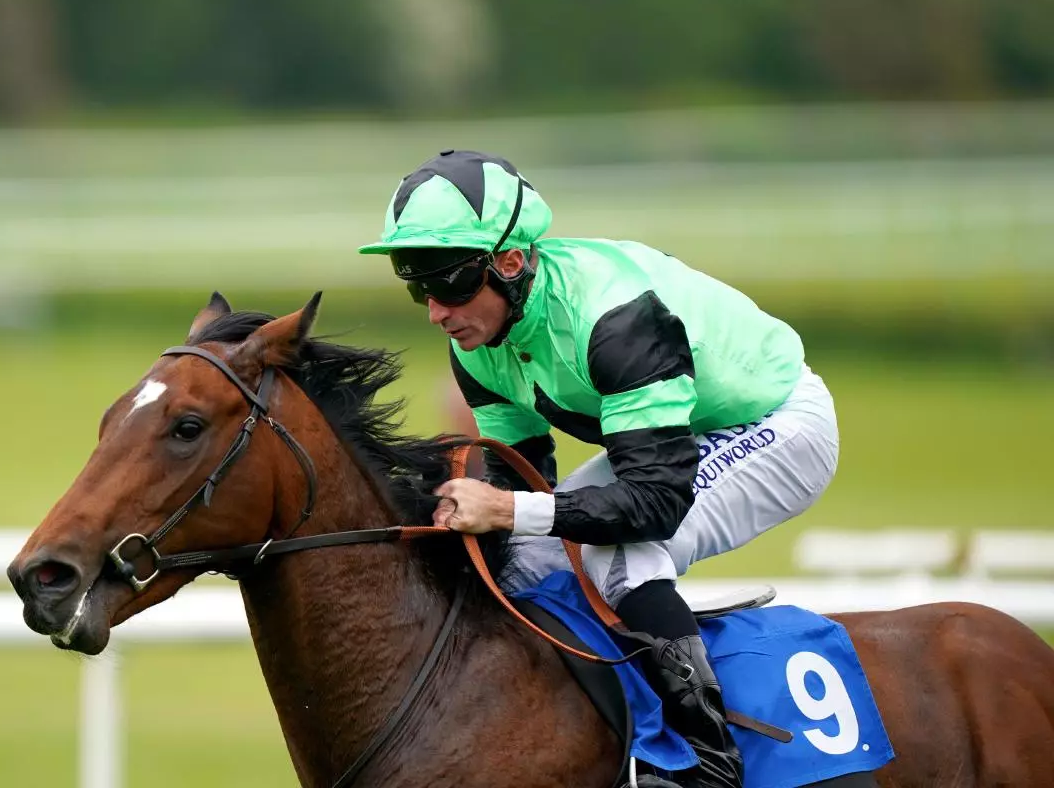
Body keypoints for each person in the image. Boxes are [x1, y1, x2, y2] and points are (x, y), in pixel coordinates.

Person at [358, 150, 839, 788]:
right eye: (417, 285)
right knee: (523, 564)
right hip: (670, 441)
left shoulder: (613, 321)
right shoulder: (477, 345)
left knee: (625, 558)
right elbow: (522, 476)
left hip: (777, 424)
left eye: (448, 283)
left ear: (510, 262)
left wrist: (506, 510)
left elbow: (654, 504)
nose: (436, 312)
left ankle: (713, 764)